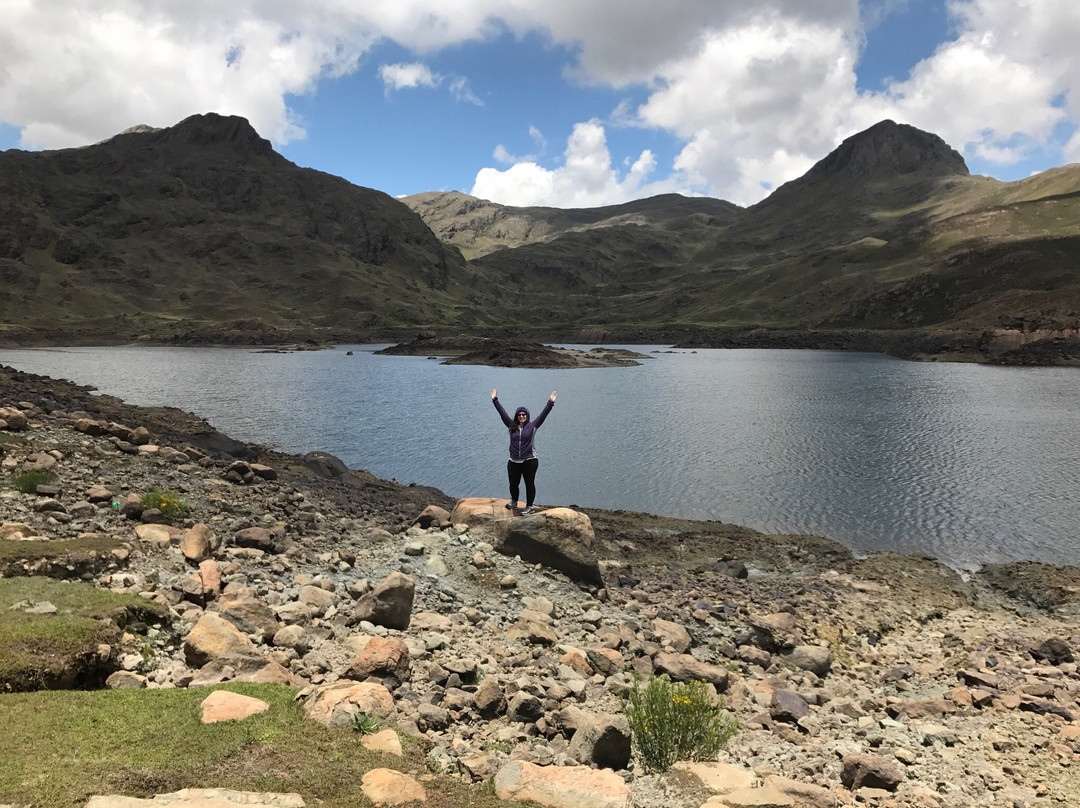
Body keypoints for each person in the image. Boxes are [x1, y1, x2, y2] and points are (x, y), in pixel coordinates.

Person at [491, 388, 556, 514]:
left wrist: (550, 402)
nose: (521, 416)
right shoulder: (511, 426)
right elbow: (502, 413)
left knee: (529, 484)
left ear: (527, 415)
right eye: (519, 415)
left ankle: (529, 507)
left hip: (529, 460)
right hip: (514, 461)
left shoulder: (533, 426)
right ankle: (514, 501)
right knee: (513, 483)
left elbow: (544, 415)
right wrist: (495, 400)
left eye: (524, 414)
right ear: (517, 416)